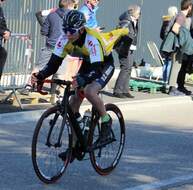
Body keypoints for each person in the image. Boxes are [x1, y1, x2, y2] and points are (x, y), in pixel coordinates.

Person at [31, 10, 128, 160]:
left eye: (71, 31)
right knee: (73, 104)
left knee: (89, 91)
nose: (67, 34)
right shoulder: (63, 39)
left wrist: (83, 80)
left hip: (103, 64)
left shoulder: (91, 39)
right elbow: (53, 64)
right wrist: (41, 75)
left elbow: (96, 69)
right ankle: (75, 146)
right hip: (88, 64)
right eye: (65, 30)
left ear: (82, 30)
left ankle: (106, 122)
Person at [21, 0, 78, 98]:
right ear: (70, 5)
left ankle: (29, 86)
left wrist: (51, 34)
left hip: (50, 46)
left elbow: (44, 31)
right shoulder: (73, 17)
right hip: (63, 48)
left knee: (39, 66)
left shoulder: (51, 15)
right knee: (60, 72)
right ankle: (55, 93)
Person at [113, 5, 141, 98]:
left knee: (129, 68)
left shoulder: (134, 21)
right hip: (124, 48)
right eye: (138, 13)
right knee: (125, 68)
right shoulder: (126, 21)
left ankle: (125, 90)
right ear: (133, 12)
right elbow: (121, 33)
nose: (139, 15)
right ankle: (117, 90)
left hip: (131, 47)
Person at [171, 0, 193, 95]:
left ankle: (177, 87)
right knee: (176, 66)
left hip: (180, 45)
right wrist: (183, 39)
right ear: (189, 6)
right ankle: (172, 89)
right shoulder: (181, 16)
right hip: (179, 46)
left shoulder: (183, 16)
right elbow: (175, 28)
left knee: (178, 66)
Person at [160, 6, 178, 87]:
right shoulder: (174, 21)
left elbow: (161, 35)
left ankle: (164, 81)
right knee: (170, 63)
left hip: (164, 45)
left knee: (166, 63)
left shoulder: (165, 21)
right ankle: (168, 81)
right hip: (171, 45)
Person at [0, 0, 10, 93]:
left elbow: (3, 24)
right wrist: (2, 32)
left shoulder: (0, 9)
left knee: (3, 53)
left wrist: (7, 31)